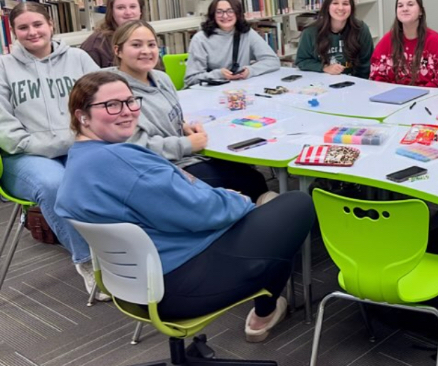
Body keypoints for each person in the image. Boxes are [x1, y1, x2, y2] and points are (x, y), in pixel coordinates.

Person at [55, 71, 315, 341]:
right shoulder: (123, 162)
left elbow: (176, 206)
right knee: (296, 204)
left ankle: (265, 313)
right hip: (182, 286)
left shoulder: (79, 161)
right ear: (82, 116)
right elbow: (203, 211)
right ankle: (264, 314)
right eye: (111, 105)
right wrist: (238, 200)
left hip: (135, 284)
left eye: (131, 101)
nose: (127, 111)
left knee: (265, 222)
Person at [0, 2, 103, 300]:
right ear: (14, 32)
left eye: (37, 24)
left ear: (51, 25)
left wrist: (88, 138)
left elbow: (102, 101)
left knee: (119, 172)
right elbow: (5, 128)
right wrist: (55, 144)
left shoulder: (79, 59)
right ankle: (86, 261)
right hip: (24, 156)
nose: (32, 32)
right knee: (55, 184)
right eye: (23, 27)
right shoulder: (3, 68)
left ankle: (127, 253)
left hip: (79, 146)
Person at [111, 20, 269, 200]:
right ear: (118, 51)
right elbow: (134, 147)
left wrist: (184, 126)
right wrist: (186, 144)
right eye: (136, 45)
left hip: (187, 154)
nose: (146, 51)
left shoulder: (161, 78)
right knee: (246, 183)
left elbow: (172, 116)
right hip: (163, 168)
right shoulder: (115, 92)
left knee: (250, 174)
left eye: (151, 44)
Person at [184, 0, 280, 87]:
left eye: (230, 11)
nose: (225, 16)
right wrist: (219, 74)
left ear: (237, 14)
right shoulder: (200, 39)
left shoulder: (246, 33)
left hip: (238, 89)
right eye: (219, 12)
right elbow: (191, 79)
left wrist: (250, 71)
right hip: (210, 91)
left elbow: (273, 61)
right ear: (213, 15)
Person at [369, 0, 438, 88]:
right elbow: (376, 77)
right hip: (392, 98)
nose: (405, 9)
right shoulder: (387, 41)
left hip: (426, 99)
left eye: (410, 4)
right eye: (400, 6)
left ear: (421, 11)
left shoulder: (434, 41)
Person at [296, 0, 373, 78]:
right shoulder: (310, 32)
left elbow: (366, 63)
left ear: (351, 7)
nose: (340, 8)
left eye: (345, 4)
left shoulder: (361, 29)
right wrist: (325, 68)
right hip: (321, 84)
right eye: (335, 3)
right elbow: (301, 61)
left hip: (354, 84)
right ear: (327, 6)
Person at [80, 0, 146, 68]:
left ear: (140, 11)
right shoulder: (96, 45)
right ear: (111, 12)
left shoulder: (146, 36)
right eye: (120, 8)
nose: (128, 12)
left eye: (133, 7)